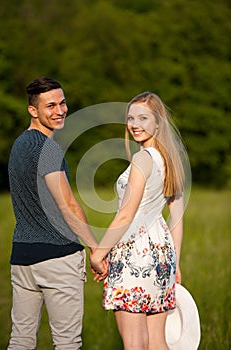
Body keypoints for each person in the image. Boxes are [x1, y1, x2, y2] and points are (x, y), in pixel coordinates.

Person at [7, 77, 101, 350]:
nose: (60, 110)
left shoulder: (19, 145)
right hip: (57, 257)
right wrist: (95, 249)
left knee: (21, 340)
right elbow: (68, 205)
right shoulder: (47, 148)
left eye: (62, 103)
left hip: (22, 258)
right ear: (33, 110)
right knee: (67, 343)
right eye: (50, 105)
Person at [90, 92, 185, 350]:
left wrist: (99, 253)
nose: (135, 124)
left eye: (143, 118)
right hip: (162, 253)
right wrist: (174, 260)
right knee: (157, 341)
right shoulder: (170, 160)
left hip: (135, 253)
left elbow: (126, 214)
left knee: (134, 344)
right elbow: (176, 216)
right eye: (131, 118)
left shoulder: (142, 158)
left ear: (158, 122)